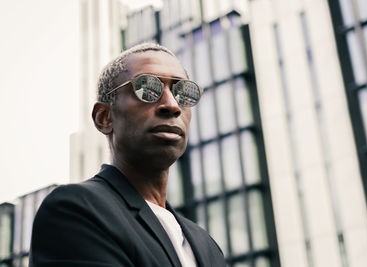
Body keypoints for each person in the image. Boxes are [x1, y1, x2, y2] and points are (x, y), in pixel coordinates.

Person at [29, 43, 226, 267]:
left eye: (183, 93)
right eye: (147, 88)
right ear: (104, 117)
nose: (172, 105)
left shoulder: (206, 244)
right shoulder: (75, 209)